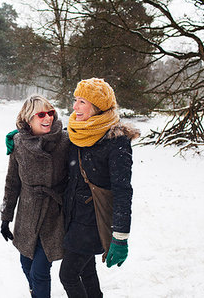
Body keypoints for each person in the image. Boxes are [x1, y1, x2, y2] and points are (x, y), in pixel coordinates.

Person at [60, 78, 139, 297]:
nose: (75, 107)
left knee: (67, 276)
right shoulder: (78, 131)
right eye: (75, 100)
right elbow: (50, 138)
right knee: (86, 271)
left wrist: (120, 236)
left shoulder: (116, 141)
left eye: (82, 101)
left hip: (93, 221)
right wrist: (21, 136)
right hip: (73, 216)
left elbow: (123, 190)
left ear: (97, 107)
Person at [0, 95, 70, 298]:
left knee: (40, 270)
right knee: (26, 263)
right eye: (41, 114)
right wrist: (6, 218)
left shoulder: (66, 140)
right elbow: (12, 183)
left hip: (54, 214)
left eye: (51, 113)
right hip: (28, 214)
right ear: (29, 119)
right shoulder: (18, 144)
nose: (48, 118)